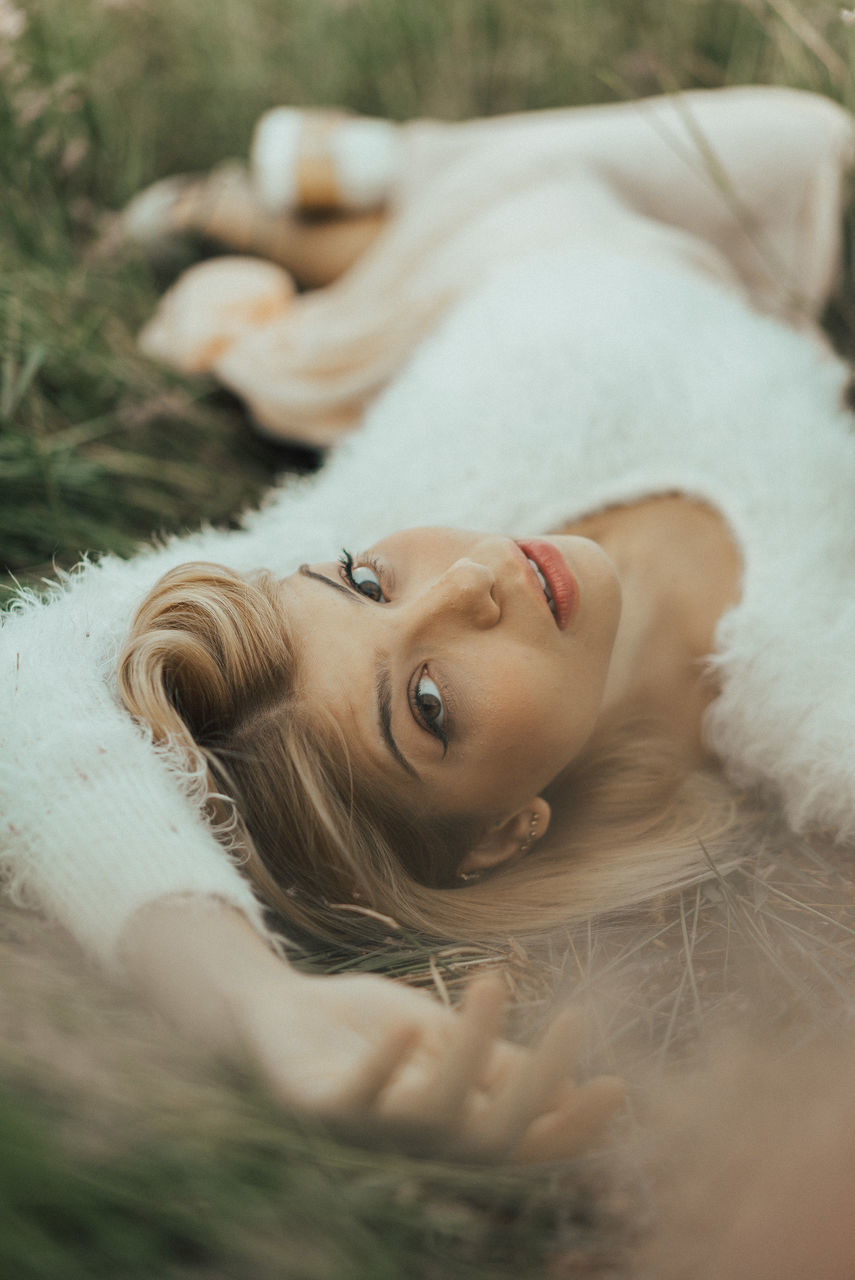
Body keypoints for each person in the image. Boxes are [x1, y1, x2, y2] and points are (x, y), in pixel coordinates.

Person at [2, 85, 854, 1158]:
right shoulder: (805, 693)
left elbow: (20, 675)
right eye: (430, 702)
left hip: (487, 252)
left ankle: (331, 205)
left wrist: (239, 991)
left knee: (675, 164)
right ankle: (331, 196)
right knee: (795, 141)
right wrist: (258, 1012)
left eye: (364, 581)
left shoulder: (396, 498)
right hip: (696, 269)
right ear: (506, 830)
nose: (463, 582)